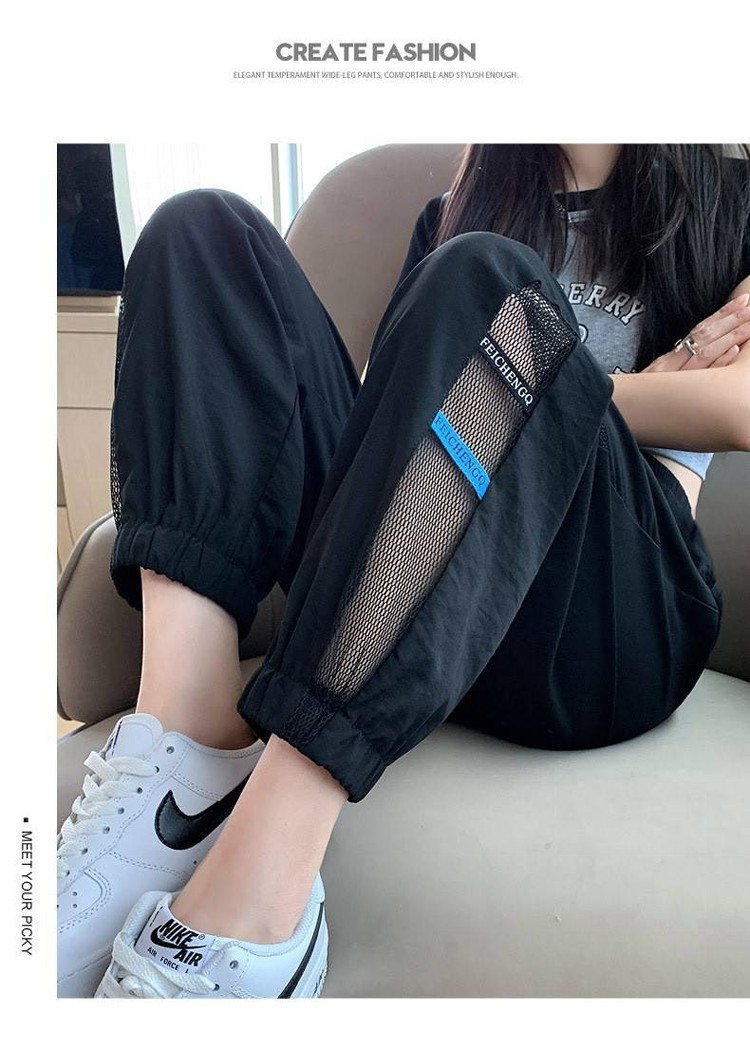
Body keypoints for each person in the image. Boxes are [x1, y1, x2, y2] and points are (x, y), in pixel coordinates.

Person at [57, 144, 750, 998]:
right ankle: (184, 762)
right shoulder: (455, 211)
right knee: (198, 229)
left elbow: (739, 405)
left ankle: (259, 904)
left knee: (487, 281)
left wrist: (523, 373)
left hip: (607, 620)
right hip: (430, 606)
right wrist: (600, 382)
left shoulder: (732, 200)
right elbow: (402, 414)